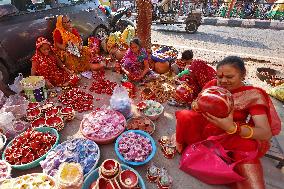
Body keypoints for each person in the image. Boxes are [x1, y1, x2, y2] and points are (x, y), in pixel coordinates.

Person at [174, 56, 281, 189]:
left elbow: (265, 133)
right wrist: (196, 105)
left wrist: (232, 127)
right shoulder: (212, 84)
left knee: (248, 146)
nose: (223, 81)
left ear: (243, 75)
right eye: (220, 77)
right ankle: (186, 147)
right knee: (185, 116)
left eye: (230, 77)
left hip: (231, 134)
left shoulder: (252, 95)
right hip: (206, 126)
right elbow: (198, 103)